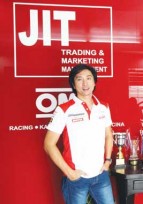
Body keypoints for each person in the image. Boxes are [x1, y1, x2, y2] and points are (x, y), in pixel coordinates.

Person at [44, 64, 114, 204]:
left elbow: (108, 135)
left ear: (94, 82)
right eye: (79, 79)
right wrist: (69, 172)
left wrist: (107, 161)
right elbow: (48, 144)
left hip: (101, 175)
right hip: (76, 178)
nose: (85, 83)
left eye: (89, 78)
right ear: (73, 85)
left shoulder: (103, 107)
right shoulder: (64, 109)